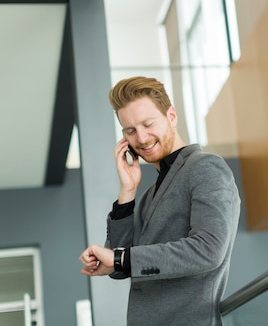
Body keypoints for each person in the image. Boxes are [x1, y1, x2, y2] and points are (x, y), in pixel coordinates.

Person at [79, 76, 240, 326]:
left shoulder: (205, 167)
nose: (141, 138)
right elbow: (119, 265)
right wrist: (127, 192)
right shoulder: (148, 195)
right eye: (130, 131)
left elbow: (209, 250)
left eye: (148, 124)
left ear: (171, 116)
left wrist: (122, 259)